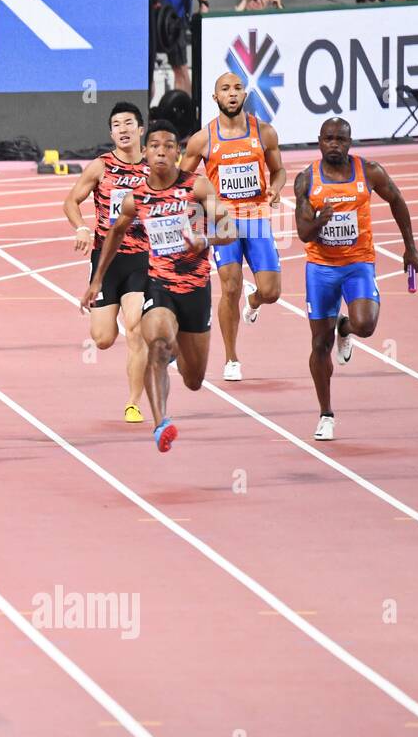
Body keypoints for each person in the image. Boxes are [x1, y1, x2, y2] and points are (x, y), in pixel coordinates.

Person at [84, 121, 232, 452]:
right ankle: (160, 423)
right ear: (146, 153)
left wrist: (204, 240)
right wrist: (96, 281)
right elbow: (116, 232)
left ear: (178, 153)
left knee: (194, 380)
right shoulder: (137, 197)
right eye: (155, 146)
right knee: (158, 343)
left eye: (168, 145)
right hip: (159, 286)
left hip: (195, 289)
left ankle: (179, 350)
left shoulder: (197, 187)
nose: (161, 151)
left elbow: (231, 226)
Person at [293, 118, 418, 441]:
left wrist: (410, 248)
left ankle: (345, 327)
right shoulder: (306, 180)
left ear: (350, 143)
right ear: (319, 141)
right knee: (319, 344)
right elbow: (303, 234)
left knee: (366, 325)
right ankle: (325, 414)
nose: (334, 144)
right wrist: (321, 220)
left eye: (341, 139)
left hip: (358, 263)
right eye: (329, 138)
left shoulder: (370, 172)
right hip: (321, 268)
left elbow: (397, 200)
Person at [180, 72, 286, 382]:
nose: (232, 93)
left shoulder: (264, 133)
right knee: (229, 286)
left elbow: (278, 171)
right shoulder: (203, 139)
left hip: (256, 220)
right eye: (225, 89)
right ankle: (231, 358)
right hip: (223, 222)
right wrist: (194, 216)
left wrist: (276, 188)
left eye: (238, 88)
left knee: (272, 291)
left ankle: (254, 302)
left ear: (244, 94)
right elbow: (181, 183)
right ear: (215, 98)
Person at [64, 102, 150, 423]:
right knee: (102, 339)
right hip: (106, 261)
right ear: (111, 133)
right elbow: (71, 201)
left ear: (141, 129)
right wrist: (82, 227)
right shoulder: (101, 167)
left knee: (136, 327)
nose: (123, 129)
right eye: (117, 125)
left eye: (129, 123)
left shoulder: (155, 168)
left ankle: (133, 403)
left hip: (142, 258)